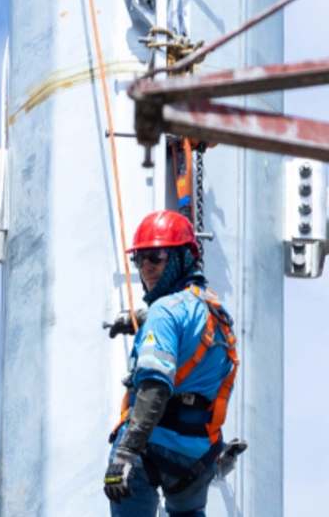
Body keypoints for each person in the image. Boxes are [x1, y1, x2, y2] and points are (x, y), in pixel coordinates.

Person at [103, 210, 238, 516]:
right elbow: (187, 326)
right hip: (196, 458)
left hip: (151, 446)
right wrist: (136, 318)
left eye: (157, 257)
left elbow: (155, 386)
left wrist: (126, 452)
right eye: (140, 260)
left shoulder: (164, 311)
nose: (146, 268)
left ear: (181, 258)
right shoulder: (216, 311)